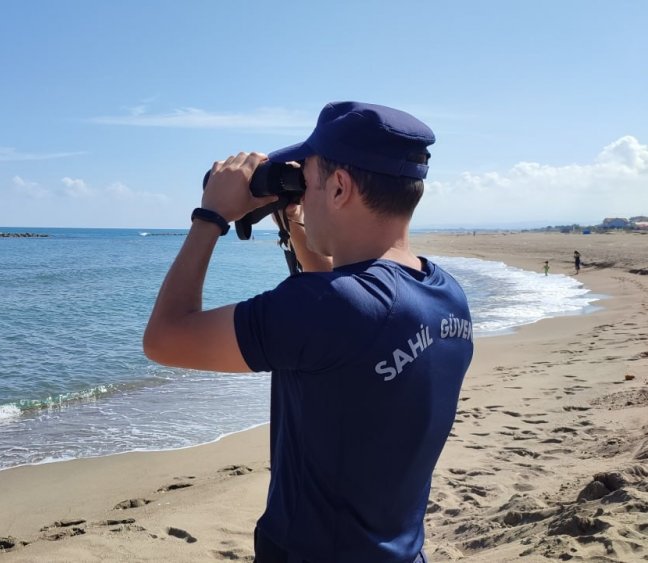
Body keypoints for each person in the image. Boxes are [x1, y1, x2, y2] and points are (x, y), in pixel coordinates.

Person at [143, 101, 474, 563]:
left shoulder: (328, 308)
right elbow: (346, 323)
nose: (302, 190)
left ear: (340, 187)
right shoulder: (445, 294)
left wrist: (211, 216)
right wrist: (296, 223)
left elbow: (165, 338)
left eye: (309, 178)